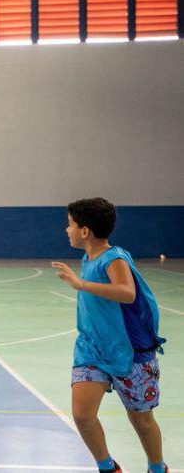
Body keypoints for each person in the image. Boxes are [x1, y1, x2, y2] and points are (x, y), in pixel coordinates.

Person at [52, 197, 168, 473]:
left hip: (129, 352)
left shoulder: (113, 257)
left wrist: (80, 284)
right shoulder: (88, 256)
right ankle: (108, 467)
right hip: (92, 349)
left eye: (69, 224)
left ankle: (156, 467)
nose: (65, 230)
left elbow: (127, 293)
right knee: (82, 414)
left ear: (84, 231)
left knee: (141, 421)